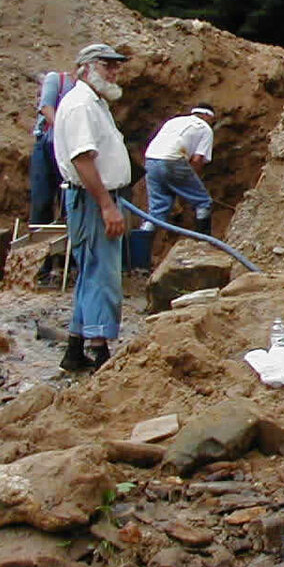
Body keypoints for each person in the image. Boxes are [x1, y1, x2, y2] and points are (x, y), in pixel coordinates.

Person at [53, 43, 131, 372]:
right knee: (102, 273)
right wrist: (106, 206)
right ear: (85, 68)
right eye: (106, 65)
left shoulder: (95, 103)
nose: (113, 72)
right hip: (92, 200)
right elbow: (83, 159)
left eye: (116, 66)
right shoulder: (81, 105)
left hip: (98, 198)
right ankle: (100, 353)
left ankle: (75, 348)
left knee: (91, 272)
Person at [141, 103, 217, 236]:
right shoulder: (205, 129)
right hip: (172, 161)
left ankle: (139, 247)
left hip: (151, 160)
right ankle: (204, 242)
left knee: (157, 211)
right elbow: (197, 160)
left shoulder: (174, 121)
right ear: (207, 116)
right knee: (203, 201)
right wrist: (193, 181)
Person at [29, 67, 77, 225]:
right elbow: (46, 108)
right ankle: (37, 239)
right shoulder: (57, 80)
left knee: (68, 197)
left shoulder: (88, 91)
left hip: (72, 147)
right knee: (42, 198)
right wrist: (62, 131)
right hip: (48, 145)